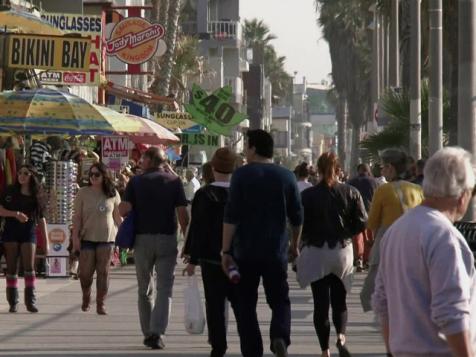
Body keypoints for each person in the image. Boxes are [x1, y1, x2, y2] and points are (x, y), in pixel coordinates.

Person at [373, 147, 476, 356]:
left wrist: (394, 349)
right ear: (462, 193)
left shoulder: (396, 231)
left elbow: (382, 303)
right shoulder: (445, 237)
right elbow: (451, 313)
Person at [221, 129, 303, 357]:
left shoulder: (241, 176)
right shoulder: (287, 177)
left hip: (244, 251)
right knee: (279, 300)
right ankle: (279, 336)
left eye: (246, 145)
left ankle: (252, 351)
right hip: (275, 251)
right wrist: (294, 245)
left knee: (245, 304)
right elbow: (297, 217)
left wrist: (225, 250)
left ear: (254, 148)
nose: (245, 151)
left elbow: (231, 216)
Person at [297, 152, 367, 357]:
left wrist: (299, 244)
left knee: (321, 303)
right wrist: (347, 233)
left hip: (315, 252)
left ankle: (324, 350)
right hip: (341, 251)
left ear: (317, 170)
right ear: (338, 170)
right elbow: (363, 221)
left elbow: (298, 222)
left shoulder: (307, 195)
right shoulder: (351, 192)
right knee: (340, 300)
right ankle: (341, 337)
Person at [119, 147, 189, 350]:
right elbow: (183, 214)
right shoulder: (174, 182)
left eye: (142, 158)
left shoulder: (136, 181)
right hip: (167, 239)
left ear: (149, 160)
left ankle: (148, 331)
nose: (140, 161)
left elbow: (123, 209)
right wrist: (187, 242)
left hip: (142, 240)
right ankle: (157, 332)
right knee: (164, 288)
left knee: (144, 289)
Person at [184, 148, 238, 357]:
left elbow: (197, 228)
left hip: (210, 259)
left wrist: (193, 259)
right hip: (238, 259)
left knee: (214, 304)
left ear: (213, 168)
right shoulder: (240, 193)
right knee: (242, 304)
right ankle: (249, 342)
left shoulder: (203, 195)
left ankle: (218, 346)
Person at [360, 149, 424, 312]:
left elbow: (372, 222)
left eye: (383, 167)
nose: (381, 171)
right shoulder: (417, 190)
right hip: (413, 245)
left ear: (390, 167)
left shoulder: (383, 190)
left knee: (376, 289)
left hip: (388, 243)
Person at [72, 163, 122, 315]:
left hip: (107, 238)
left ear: (104, 176)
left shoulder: (113, 194)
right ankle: (86, 295)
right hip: (87, 237)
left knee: (103, 272)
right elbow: (77, 217)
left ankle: (101, 303)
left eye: (96, 175)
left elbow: (118, 218)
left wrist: (126, 237)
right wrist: (75, 238)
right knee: (85, 273)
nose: (93, 177)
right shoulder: (82, 192)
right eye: (91, 174)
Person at [0, 165, 48, 313]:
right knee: (12, 268)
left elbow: (41, 219)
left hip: (29, 232)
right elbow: (0, 210)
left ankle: (30, 302)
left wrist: (46, 243)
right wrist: (15, 214)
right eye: (20, 173)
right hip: (11, 231)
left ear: (32, 176)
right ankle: (13, 302)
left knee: (29, 268)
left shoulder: (37, 195)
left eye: (26, 173)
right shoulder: (9, 191)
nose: (21, 176)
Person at [347, 164, 379, 271]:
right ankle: (367, 260)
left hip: (355, 213)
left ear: (358, 171)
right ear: (368, 171)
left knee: (358, 237)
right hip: (370, 212)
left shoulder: (351, 182)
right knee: (369, 237)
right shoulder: (375, 182)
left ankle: (358, 259)